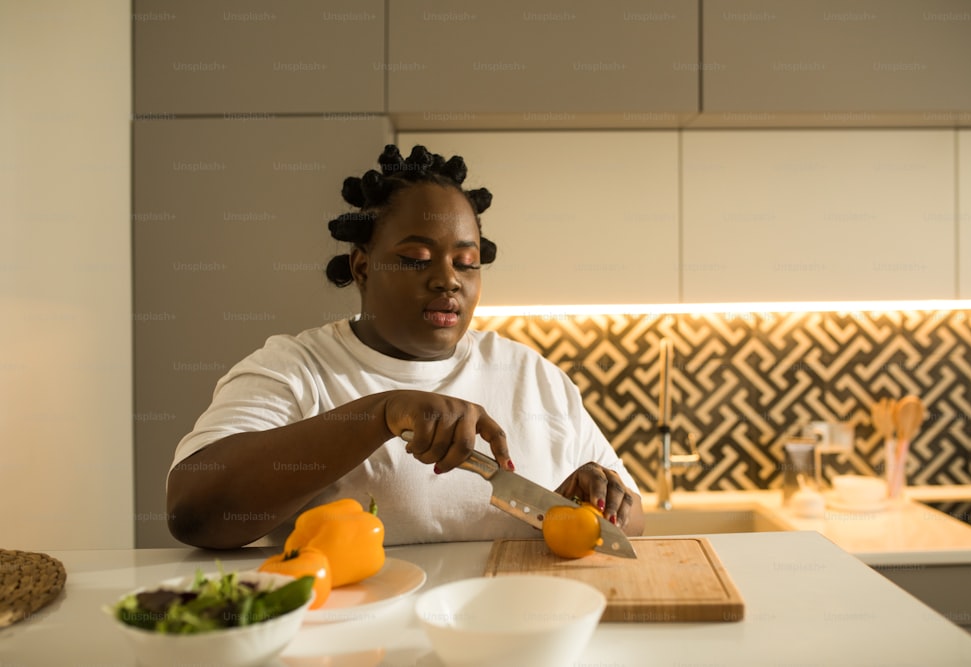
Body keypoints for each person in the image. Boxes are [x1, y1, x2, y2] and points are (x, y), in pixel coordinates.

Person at [167, 144, 645, 549]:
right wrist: (382, 413)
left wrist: (599, 507)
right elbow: (193, 511)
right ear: (362, 267)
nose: (448, 280)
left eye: (467, 262)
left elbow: (634, 521)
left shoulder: (530, 374)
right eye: (416, 259)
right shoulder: (295, 369)